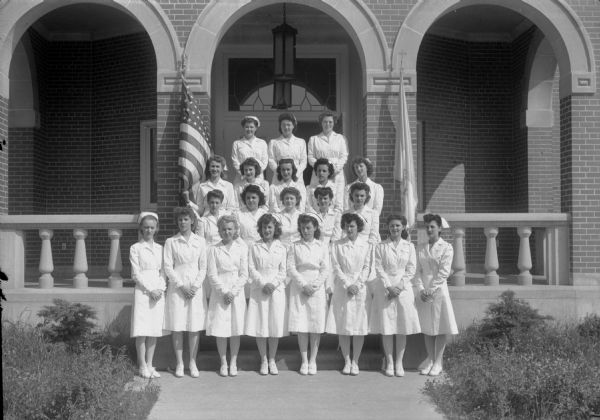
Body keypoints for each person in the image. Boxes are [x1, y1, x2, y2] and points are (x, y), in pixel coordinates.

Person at [369, 214, 421, 377]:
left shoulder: (409, 246)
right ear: (388, 227)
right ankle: (389, 362)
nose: (395, 228)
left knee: (401, 326)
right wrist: (389, 286)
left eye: (398, 225)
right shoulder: (380, 246)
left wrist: (399, 286)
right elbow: (378, 268)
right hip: (385, 288)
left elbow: (411, 269)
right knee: (387, 327)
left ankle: (399, 362)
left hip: (403, 288)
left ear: (403, 227)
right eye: (392, 226)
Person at [325, 213, 372, 376]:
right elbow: (335, 267)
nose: (349, 229)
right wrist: (347, 284)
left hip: (359, 288)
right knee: (343, 324)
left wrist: (357, 285)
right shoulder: (336, 245)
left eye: (352, 226)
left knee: (358, 326)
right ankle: (346, 361)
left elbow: (367, 267)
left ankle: (355, 361)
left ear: (358, 227)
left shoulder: (366, 245)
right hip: (342, 287)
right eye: (346, 226)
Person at [163, 207, 208, 378]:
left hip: (195, 288)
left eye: (186, 219)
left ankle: (192, 362)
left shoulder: (200, 242)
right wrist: (181, 286)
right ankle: (180, 363)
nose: (183, 222)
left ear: (192, 221)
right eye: (180, 220)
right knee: (178, 326)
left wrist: (195, 287)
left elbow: (203, 267)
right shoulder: (171, 242)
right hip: (177, 288)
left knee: (194, 326)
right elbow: (168, 267)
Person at [415, 213, 458, 377]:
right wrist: (421, 290)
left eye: (432, 226)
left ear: (439, 228)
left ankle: (439, 362)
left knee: (439, 327)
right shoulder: (420, 247)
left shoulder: (447, 247)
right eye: (427, 226)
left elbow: (444, 272)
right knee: (427, 327)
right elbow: (416, 272)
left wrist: (431, 289)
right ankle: (431, 360)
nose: (429, 229)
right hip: (424, 292)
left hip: (439, 290)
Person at [245, 214, 288, 375]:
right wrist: (264, 283)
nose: (267, 230)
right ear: (260, 229)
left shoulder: (281, 247)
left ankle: (272, 359)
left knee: (274, 325)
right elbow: (251, 268)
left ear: (275, 229)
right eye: (264, 227)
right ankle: (263, 359)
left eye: (270, 227)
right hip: (260, 288)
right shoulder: (254, 247)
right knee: (261, 324)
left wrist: (273, 284)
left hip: (276, 290)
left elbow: (283, 270)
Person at [206, 215, 249, 377]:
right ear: (219, 230)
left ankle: (233, 362)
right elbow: (211, 274)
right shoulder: (213, 249)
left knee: (235, 328)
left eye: (230, 229)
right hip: (220, 292)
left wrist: (233, 291)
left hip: (236, 291)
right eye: (223, 229)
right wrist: (224, 292)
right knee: (221, 328)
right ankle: (223, 362)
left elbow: (244, 274)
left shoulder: (241, 248)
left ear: (235, 230)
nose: (227, 232)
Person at [287, 213, 329, 375]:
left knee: (315, 324)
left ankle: (313, 360)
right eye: (303, 228)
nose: (306, 231)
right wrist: (303, 285)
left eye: (309, 227)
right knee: (302, 324)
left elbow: (326, 269)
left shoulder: (322, 246)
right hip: (300, 286)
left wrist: (315, 285)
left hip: (316, 287)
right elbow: (291, 267)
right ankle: (304, 361)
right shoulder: (294, 246)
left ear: (315, 228)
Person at [130, 211, 166, 379]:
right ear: (141, 229)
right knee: (142, 330)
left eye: (152, 227)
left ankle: (150, 364)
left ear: (156, 229)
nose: (149, 231)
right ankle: (141, 364)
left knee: (153, 330)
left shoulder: (161, 248)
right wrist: (150, 290)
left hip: (157, 293)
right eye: (145, 228)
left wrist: (160, 289)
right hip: (143, 292)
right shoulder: (135, 248)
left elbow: (164, 272)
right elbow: (136, 274)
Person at [307, 112, 348, 206]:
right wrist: (320, 169)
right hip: (319, 174)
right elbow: (310, 157)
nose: (327, 124)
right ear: (321, 123)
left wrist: (334, 170)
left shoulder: (340, 138)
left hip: (336, 174)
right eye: (325, 122)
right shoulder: (314, 139)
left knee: (337, 201)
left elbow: (344, 156)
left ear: (334, 123)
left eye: (330, 122)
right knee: (318, 200)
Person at [268, 113, 307, 184]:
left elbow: (303, 161)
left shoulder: (301, 142)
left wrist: (296, 174)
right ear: (280, 127)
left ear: (293, 126)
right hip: (280, 178)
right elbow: (271, 160)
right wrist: (280, 172)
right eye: (283, 125)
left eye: (288, 125)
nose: (286, 127)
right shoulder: (274, 142)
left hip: (296, 178)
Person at [231, 116, 268, 185]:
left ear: (256, 128)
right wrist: (244, 173)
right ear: (243, 128)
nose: (249, 129)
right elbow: (235, 161)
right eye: (246, 127)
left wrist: (255, 174)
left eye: (251, 127)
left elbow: (264, 161)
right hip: (241, 178)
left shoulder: (262, 143)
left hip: (258, 178)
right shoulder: (237, 143)